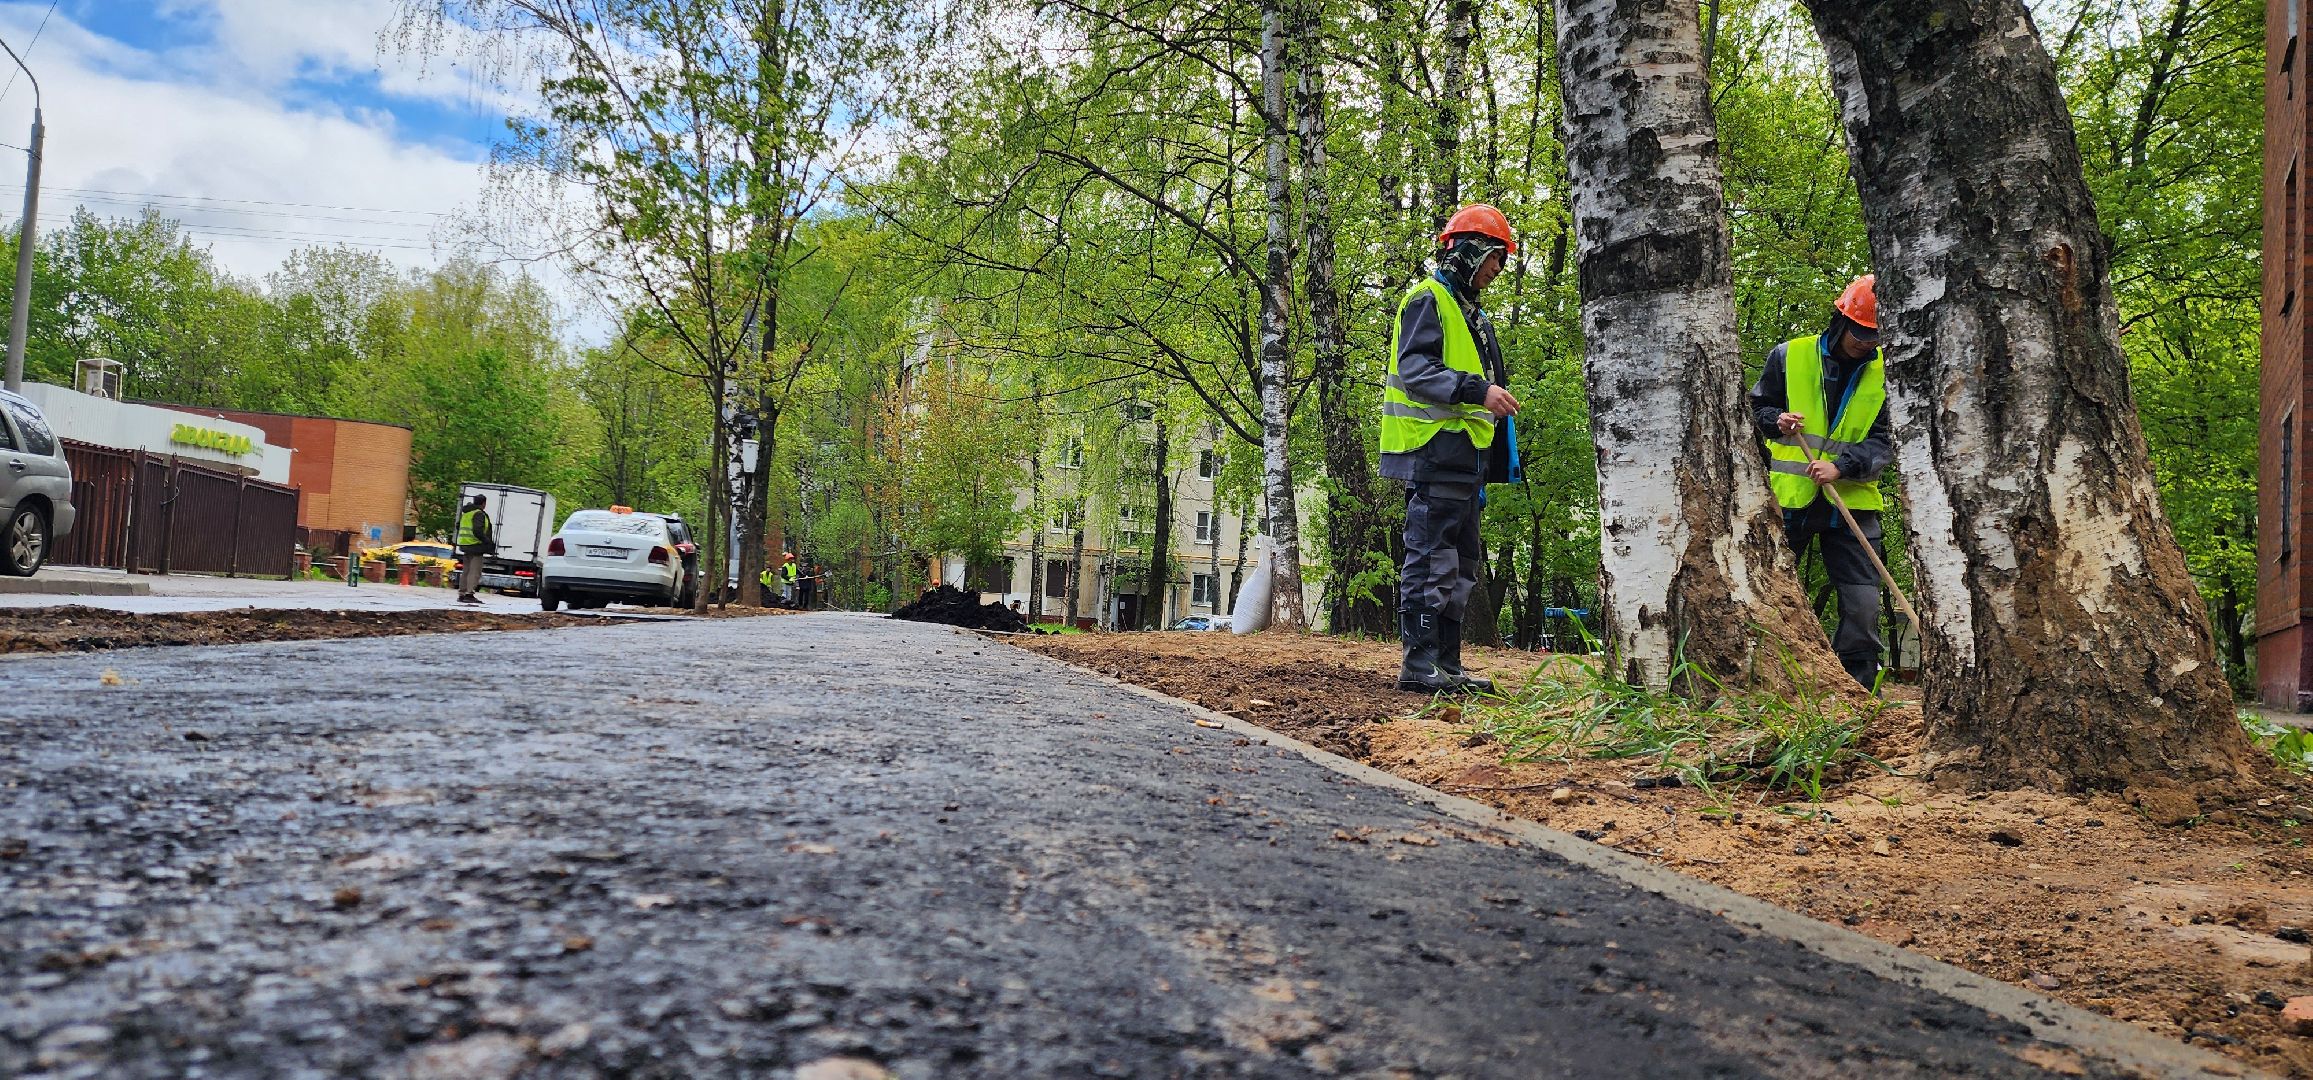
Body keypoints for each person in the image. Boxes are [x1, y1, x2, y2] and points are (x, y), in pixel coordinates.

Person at [1382, 203, 1523, 694]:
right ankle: (1419, 664)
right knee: (1429, 558)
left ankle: (1447, 664)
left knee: (1461, 565)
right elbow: (1416, 370)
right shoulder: (1428, 300)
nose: (1497, 270)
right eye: (1495, 258)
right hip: (1434, 452)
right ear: (1469, 251)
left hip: (1465, 459)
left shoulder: (1471, 315)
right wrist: (1478, 391)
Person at [1750, 274, 1895, 691]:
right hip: (1789, 501)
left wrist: (1843, 467)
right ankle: (1769, 679)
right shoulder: (1789, 355)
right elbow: (1756, 409)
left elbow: (1889, 439)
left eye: (1874, 336)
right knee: (1769, 594)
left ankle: (1857, 688)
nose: (1866, 343)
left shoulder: (1889, 372)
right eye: (1861, 333)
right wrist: (1776, 421)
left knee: (1863, 604)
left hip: (1852, 502)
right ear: (1841, 320)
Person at [454, 494, 495, 606]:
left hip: (465, 545)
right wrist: (487, 541)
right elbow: (477, 530)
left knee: (466, 571)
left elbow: (458, 526)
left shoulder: (467, 513)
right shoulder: (479, 514)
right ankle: (469, 594)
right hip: (476, 546)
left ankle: (462, 594)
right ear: (484, 503)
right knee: (475, 571)